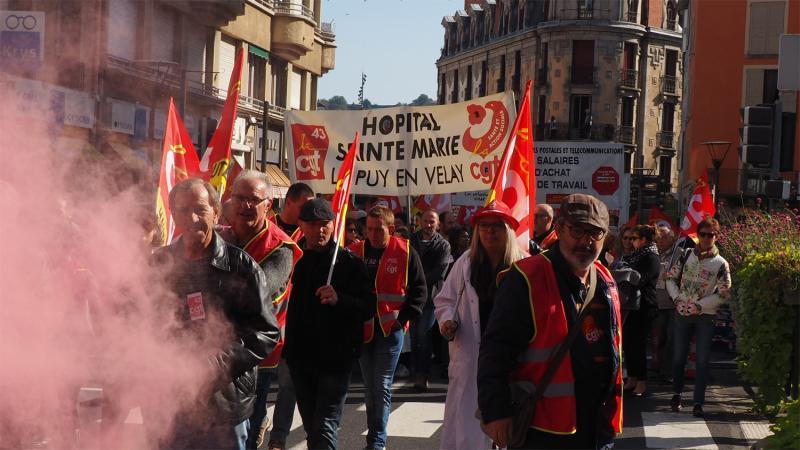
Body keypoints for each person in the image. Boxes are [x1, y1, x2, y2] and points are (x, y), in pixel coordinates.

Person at [477, 194, 623, 450]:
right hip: (544, 425)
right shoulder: (525, 278)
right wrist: (496, 413)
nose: (585, 241)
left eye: (595, 233)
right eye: (576, 230)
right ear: (558, 229)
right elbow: (495, 351)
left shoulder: (604, 277)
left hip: (597, 423)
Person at [151, 178, 280, 450]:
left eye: (200, 208)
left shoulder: (241, 266)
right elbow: (136, 321)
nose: (192, 218)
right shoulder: (158, 264)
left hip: (224, 405)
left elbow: (265, 332)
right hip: (170, 403)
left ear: (216, 211)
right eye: (183, 210)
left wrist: (213, 365)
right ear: (173, 214)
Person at [282, 198, 375, 449]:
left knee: (324, 426)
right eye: (312, 224)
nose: (319, 230)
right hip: (301, 359)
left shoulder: (349, 263)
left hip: (336, 359)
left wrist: (339, 299)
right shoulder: (293, 259)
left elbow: (368, 307)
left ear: (334, 225)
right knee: (313, 428)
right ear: (302, 225)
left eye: (324, 224)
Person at [219, 171, 302, 450]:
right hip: (217, 345)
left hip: (258, 350)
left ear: (268, 205)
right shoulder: (219, 235)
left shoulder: (280, 248)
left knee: (246, 420)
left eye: (253, 199)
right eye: (239, 198)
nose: (245, 205)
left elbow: (255, 295)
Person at [434, 201, 527, 450]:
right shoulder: (466, 263)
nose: (489, 231)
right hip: (470, 356)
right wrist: (446, 321)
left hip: (508, 359)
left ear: (508, 230)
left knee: (507, 427)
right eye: (483, 226)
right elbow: (445, 299)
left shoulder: (525, 266)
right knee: (467, 431)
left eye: (497, 226)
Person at [348, 206, 427, 450]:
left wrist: (401, 320)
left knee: (381, 385)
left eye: (378, 229)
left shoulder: (405, 251)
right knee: (370, 388)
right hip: (363, 331)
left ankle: (377, 442)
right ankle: (374, 437)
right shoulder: (354, 252)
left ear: (390, 229)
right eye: (368, 229)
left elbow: (419, 291)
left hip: (389, 331)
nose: (372, 234)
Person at [265, 181, 314, 450]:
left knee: (288, 383)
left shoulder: (308, 233)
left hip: (292, 317)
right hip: (264, 314)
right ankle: (258, 421)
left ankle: (279, 437)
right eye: (306, 205)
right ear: (291, 202)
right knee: (257, 380)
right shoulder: (265, 223)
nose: (310, 211)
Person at [667, 218, 731, 418]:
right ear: (697, 234)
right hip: (682, 313)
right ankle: (677, 394)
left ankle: (698, 402)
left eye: (710, 235)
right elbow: (670, 277)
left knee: (702, 361)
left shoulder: (721, 263)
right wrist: (677, 298)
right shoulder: (686, 255)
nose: (705, 238)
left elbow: (724, 292)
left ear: (716, 236)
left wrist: (700, 305)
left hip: (705, 316)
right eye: (702, 234)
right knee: (678, 357)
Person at [409, 209, 451, 391]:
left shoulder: (443, 245)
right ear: (420, 221)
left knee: (423, 335)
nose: (428, 224)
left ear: (438, 224)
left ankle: (422, 374)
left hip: (431, 297)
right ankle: (416, 370)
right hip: (411, 297)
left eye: (431, 221)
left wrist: (417, 280)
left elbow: (439, 272)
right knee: (414, 335)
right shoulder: (410, 241)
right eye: (425, 220)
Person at [623, 224, 660, 397]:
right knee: (629, 343)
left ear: (644, 240)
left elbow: (641, 279)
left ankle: (642, 381)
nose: (631, 242)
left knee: (638, 345)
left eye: (635, 238)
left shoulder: (651, 256)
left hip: (645, 305)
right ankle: (631, 377)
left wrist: (627, 275)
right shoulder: (635, 255)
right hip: (631, 304)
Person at [652, 225, 678, 380]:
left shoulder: (679, 254)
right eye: (658, 237)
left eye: (664, 237)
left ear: (672, 238)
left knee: (671, 339)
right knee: (659, 338)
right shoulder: (655, 253)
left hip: (673, 303)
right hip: (658, 302)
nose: (660, 240)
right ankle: (659, 367)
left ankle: (668, 372)